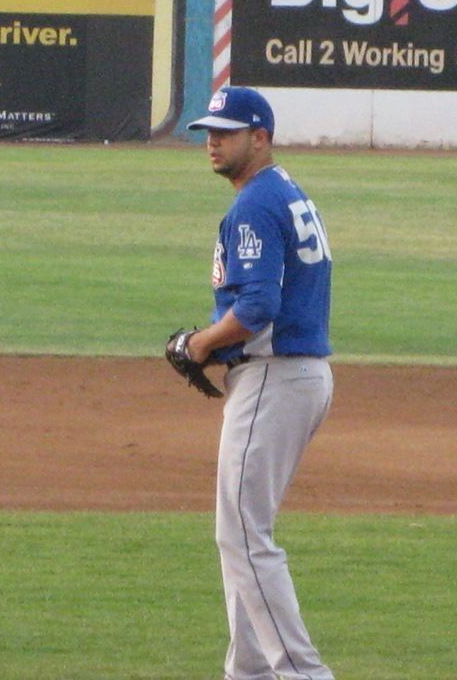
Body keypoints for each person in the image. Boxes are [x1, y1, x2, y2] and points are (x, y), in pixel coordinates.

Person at [185, 86, 335, 680]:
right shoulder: (285, 190)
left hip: (275, 376)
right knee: (244, 535)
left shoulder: (254, 204)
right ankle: (248, 672)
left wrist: (199, 344)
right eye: (209, 131)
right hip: (298, 375)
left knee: (245, 538)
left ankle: (301, 673)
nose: (213, 141)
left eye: (227, 131)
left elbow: (257, 307)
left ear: (261, 138)